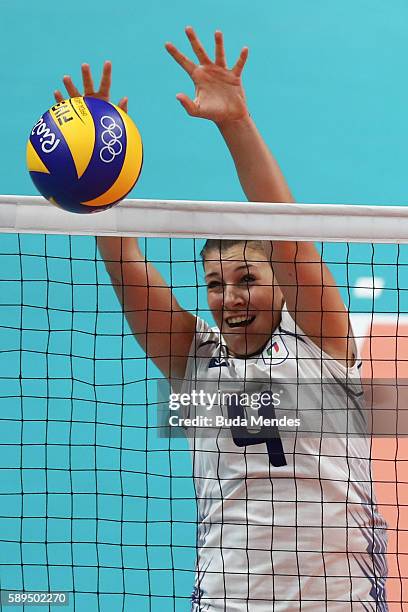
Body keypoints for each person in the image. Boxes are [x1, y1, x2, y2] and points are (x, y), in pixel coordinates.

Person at [54, 27, 388, 611]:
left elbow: (294, 244)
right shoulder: (195, 360)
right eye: (214, 284)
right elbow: (127, 266)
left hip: (343, 601)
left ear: (281, 286)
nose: (229, 297)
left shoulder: (322, 344)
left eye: (247, 280)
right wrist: (97, 182)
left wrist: (236, 123)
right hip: (233, 602)